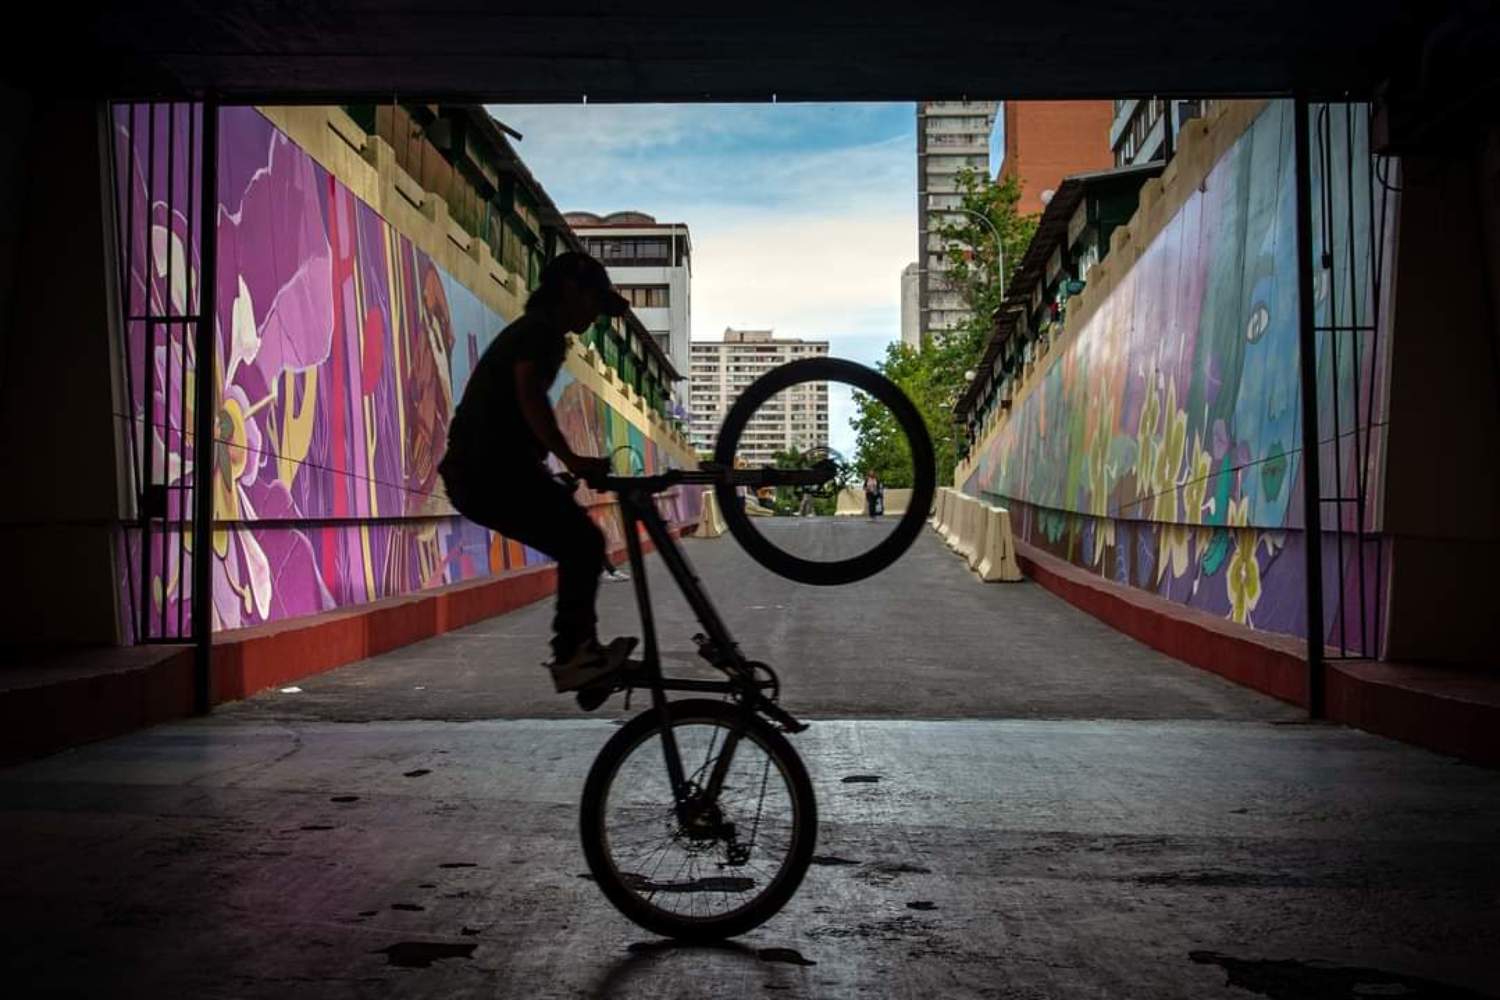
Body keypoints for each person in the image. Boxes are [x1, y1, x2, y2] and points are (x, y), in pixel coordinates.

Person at [438, 252, 636, 693]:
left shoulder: (533, 333)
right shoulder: (541, 333)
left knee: (578, 539)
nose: (595, 317)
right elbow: (528, 394)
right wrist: (573, 459)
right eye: (594, 304)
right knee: (583, 543)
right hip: (485, 473)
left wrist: (550, 472)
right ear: (570, 290)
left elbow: (512, 412)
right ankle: (574, 656)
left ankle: (577, 651)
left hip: (487, 471)